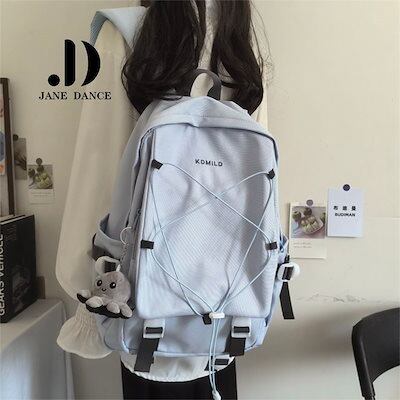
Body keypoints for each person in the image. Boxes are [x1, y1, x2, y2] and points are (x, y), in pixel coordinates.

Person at [56, 1, 271, 398]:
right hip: (228, 307)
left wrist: (89, 288)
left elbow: (100, 173)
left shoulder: (126, 33)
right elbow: (259, 186)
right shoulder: (240, 44)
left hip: (144, 302)